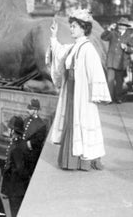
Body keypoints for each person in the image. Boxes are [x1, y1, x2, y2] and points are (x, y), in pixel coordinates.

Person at [47, 9, 111, 171]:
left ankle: (84, 161)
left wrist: (97, 93)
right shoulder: (74, 46)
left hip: (82, 94)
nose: (71, 29)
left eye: (74, 26)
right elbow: (60, 53)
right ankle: (72, 160)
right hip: (71, 91)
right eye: (71, 26)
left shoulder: (88, 49)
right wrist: (54, 36)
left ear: (83, 28)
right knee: (71, 121)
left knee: (83, 122)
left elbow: (95, 72)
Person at [100, 17, 133, 103]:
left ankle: (118, 98)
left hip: (121, 62)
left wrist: (126, 47)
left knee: (119, 81)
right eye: (120, 25)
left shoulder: (128, 36)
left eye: (123, 25)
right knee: (110, 81)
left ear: (126, 27)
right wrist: (108, 29)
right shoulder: (113, 33)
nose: (120, 27)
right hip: (111, 61)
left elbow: (132, 49)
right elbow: (103, 37)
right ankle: (109, 98)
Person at [1, 116, 30, 217]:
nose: (7, 130)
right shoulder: (20, 142)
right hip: (18, 187)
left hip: (16, 188)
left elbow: (19, 168)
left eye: (9, 128)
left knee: (15, 212)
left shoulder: (16, 147)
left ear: (13, 130)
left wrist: (9, 185)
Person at [22, 99, 47, 176]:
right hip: (23, 152)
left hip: (32, 155)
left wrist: (27, 145)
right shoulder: (26, 120)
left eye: (29, 109)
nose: (27, 110)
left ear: (36, 110)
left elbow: (38, 140)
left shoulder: (41, 124)